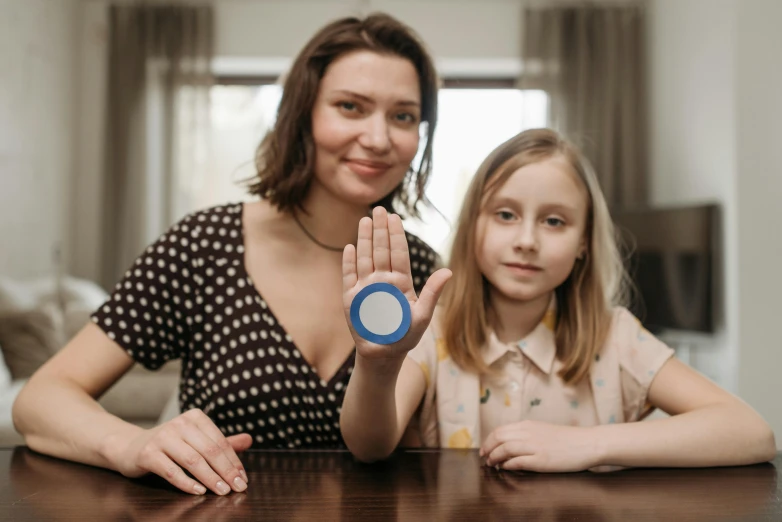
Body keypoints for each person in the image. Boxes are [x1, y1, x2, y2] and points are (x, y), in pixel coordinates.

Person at [12, 13, 442, 496]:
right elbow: (40, 399)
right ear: (301, 115)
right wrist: (131, 443)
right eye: (350, 106)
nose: (380, 138)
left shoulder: (422, 273)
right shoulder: (204, 245)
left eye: (403, 116)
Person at [339, 128, 776, 471]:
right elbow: (369, 448)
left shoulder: (615, 337)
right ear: (474, 226)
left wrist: (587, 445)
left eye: (554, 221)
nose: (527, 241)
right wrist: (379, 364)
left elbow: (752, 433)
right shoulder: (434, 333)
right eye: (505, 215)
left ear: (583, 241)